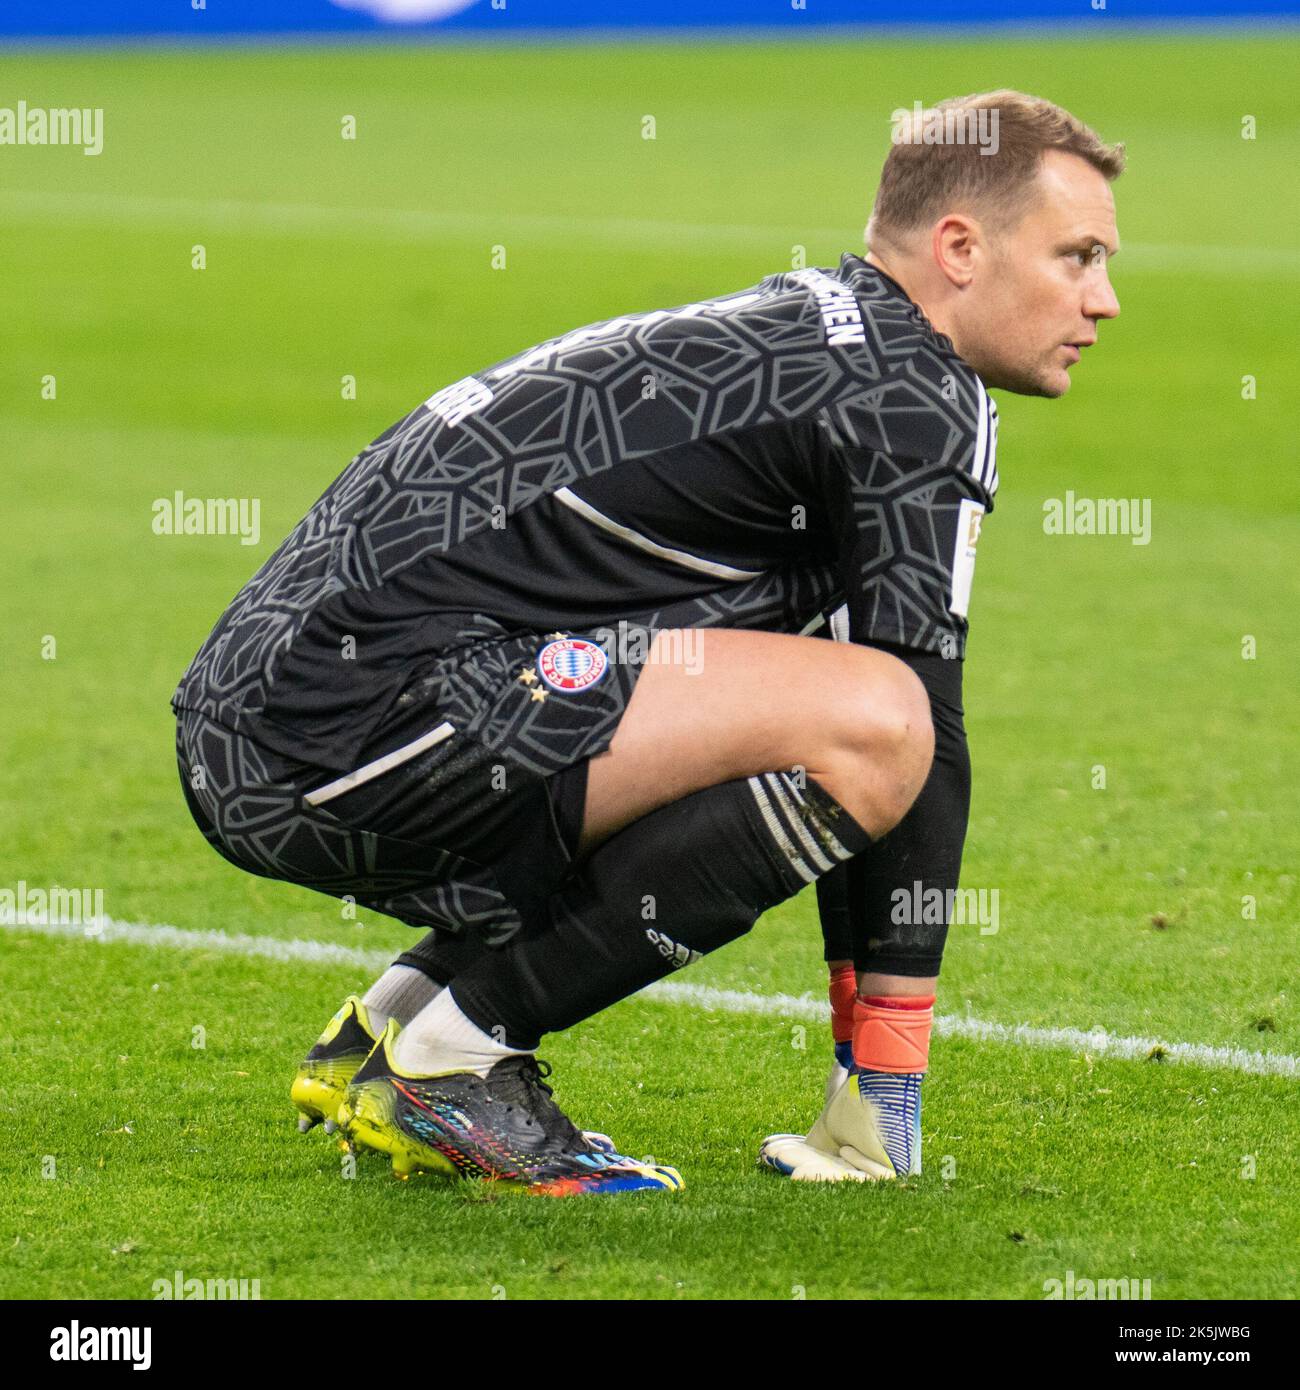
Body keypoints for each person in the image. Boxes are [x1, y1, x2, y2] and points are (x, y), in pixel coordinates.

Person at [172, 89, 1122, 1196]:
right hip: (345, 730)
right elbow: (916, 737)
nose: (1103, 300)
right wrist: (886, 1094)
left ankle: (397, 1023)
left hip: (271, 726)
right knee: (876, 722)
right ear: (960, 248)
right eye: (1078, 256)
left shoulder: (812, 331)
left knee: (791, 699)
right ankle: (456, 1058)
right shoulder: (910, 389)